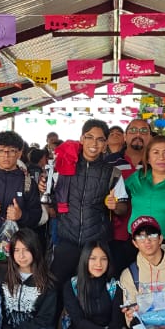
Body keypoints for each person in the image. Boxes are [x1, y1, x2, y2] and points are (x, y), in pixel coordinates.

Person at [50, 120, 128, 286]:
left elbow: (123, 207)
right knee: (57, 288)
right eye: (89, 137)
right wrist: (44, 187)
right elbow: (51, 200)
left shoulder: (113, 173)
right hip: (66, 241)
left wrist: (115, 206)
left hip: (96, 245)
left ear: (105, 144)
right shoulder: (64, 166)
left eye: (100, 139)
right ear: (81, 139)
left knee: (93, 289)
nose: (94, 143)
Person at [107, 119, 150, 271]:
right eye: (133, 130)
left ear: (150, 137)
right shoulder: (109, 162)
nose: (138, 134)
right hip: (116, 235)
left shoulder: (157, 163)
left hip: (149, 236)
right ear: (125, 136)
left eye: (144, 131)